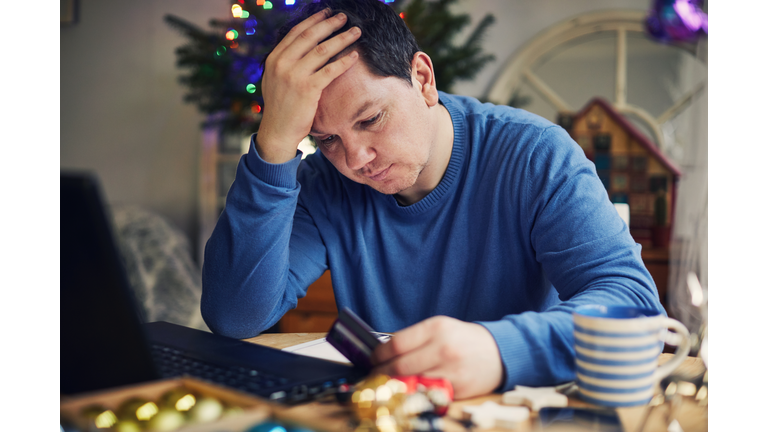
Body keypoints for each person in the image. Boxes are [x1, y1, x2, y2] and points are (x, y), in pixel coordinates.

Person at [201, 0, 664, 400]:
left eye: (371, 119)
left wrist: (497, 349)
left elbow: (635, 306)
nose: (357, 160)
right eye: (326, 140)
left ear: (422, 78)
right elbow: (235, 316)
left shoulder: (535, 154)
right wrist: (275, 144)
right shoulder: (324, 183)